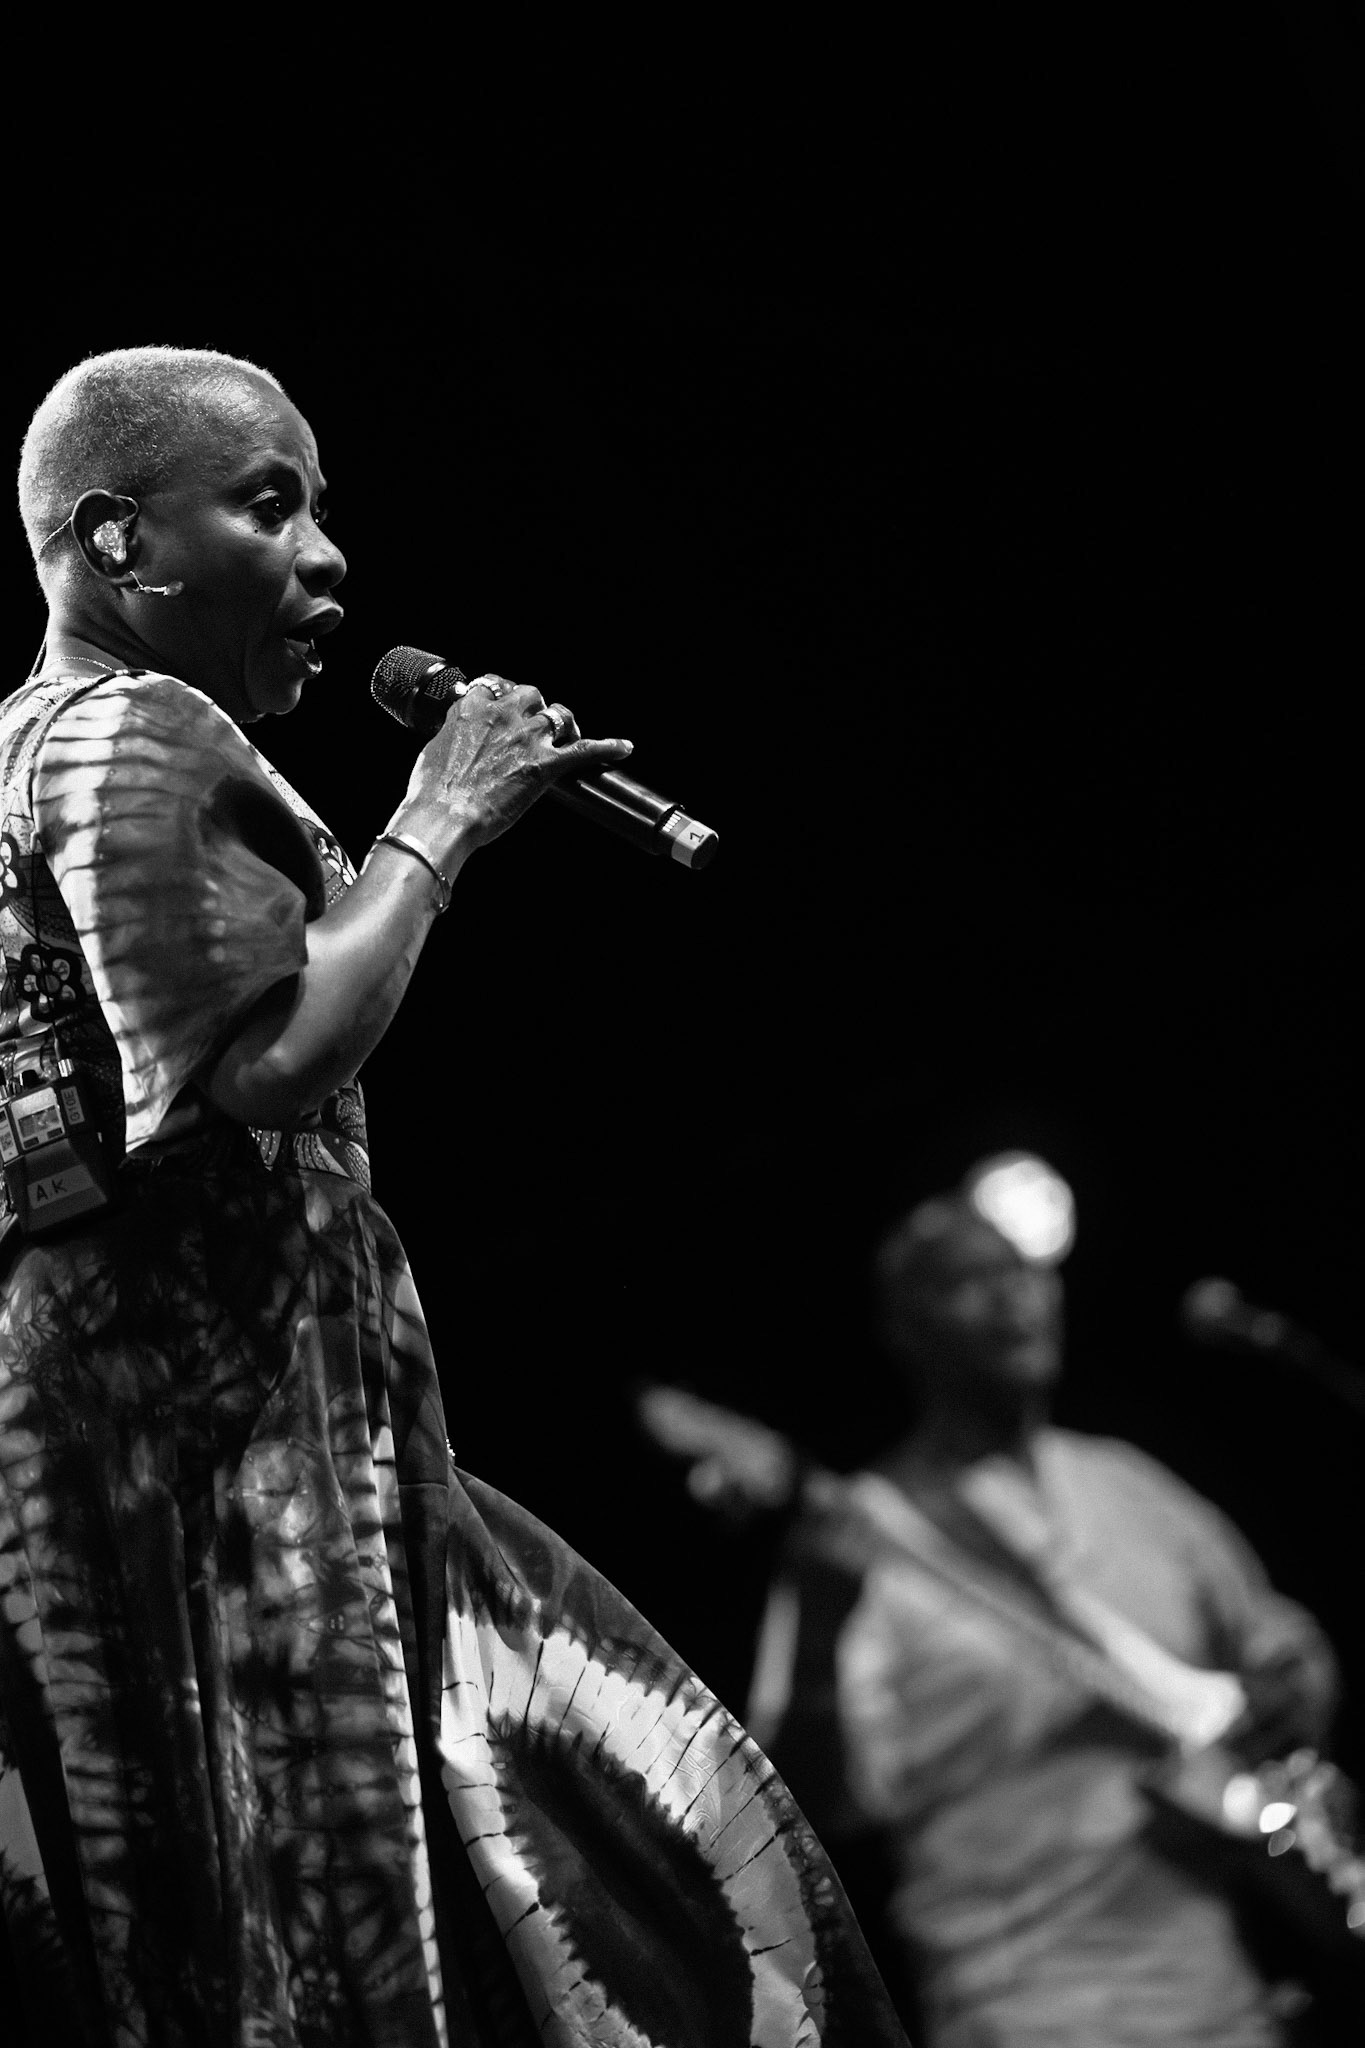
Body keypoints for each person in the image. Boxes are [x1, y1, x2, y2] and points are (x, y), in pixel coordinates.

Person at [0, 347, 907, 2048]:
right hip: (219, 1419)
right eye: (272, 502)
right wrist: (448, 810)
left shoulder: (31, 747)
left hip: (185, 1404)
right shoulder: (128, 723)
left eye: (319, 502)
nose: (327, 554)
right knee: (414, 1866)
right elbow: (252, 1065)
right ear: (118, 544)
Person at [645, 1154, 1348, 2046]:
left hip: (1228, 1999)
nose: (1012, 1298)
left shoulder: (1127, 1483)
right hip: (1024, 2011)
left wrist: (1293, 1679)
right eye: (967, 1283)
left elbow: (1277, 1637)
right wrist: (821, 1614)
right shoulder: (861, 1540)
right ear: (904, 1328)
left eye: (1021, 1271)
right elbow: (796, 1801)